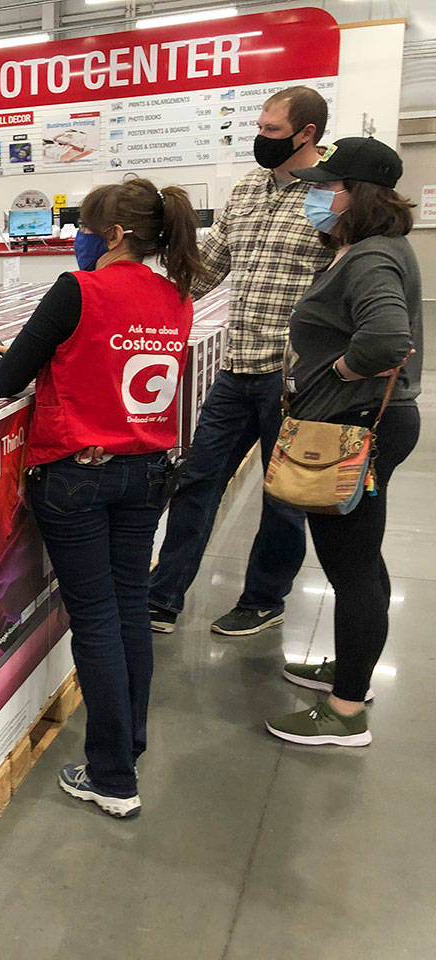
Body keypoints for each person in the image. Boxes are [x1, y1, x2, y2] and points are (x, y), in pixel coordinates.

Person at [0, 177, 201, 817]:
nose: (77, 239)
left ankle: (111, 777)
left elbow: (7, 380)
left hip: (77, 477)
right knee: (130, 607)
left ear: (111, 235)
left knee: (96, 620)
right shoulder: (176, 296)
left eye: (83, 228)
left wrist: (33, 354)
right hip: (147, 473)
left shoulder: (76, 290)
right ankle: (127, 747)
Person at [149, 86, 335, 637]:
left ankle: (263, 599)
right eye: (260, 127)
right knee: (198, 481)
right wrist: (140, 298)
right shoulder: (249, 188)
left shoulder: (331, 195)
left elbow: (346, 281)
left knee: (283, 498)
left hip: (295, 378)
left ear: (307, 134)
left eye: (272, 131)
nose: (260, 138)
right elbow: (208, 268)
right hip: (237, 368)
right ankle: (162, 596)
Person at [265, 137, 422, 746]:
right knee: (361, 557)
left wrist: (338, 371)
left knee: (350, 566)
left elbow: (386, 339)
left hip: (355, 427)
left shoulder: (371, 257)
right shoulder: (366, 249)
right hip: (360, 423)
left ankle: (347, 709)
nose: (318, 196)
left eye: (329, 186)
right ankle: (353, 667)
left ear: (358, 195)